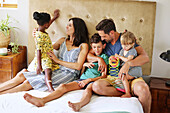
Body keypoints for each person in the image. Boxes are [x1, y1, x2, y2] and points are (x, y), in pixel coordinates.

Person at [0, 10, 89, 95]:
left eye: (69, 25)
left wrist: (57, 60)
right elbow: (44, 48)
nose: (66, 27)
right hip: (55, 69)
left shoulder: (83, 46)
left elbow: (78, 66)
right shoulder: (62, 40)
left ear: (77, 29)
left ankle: (2, 94)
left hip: (69, 74)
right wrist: (37, 37)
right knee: (22, 74)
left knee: (28, 83)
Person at [23, 33, 109, 112]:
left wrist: (89, 80)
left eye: (99, 47)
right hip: (82, 79)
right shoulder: (89, 56)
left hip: (92, 81)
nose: (96, 49)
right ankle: (42, 100)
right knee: (63, 86)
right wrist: (84, 65)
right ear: (91, 46)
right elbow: (81, 71)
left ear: (104, 46)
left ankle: (79, 104)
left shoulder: (104, 58)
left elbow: (104, 76)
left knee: (88, 90)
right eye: (94, 47)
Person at [87, 19, 151, 113]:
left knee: (143, 90)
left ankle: (131, 91)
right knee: (96, 86)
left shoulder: (125, 38)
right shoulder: (104, 43)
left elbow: (145, 58)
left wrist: (128, 64)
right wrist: (99, 59)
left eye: (103, 36)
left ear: (111, 33)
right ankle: (127, 92)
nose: (102, 39)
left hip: (131, 76)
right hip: (114, 78)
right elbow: (89, 55)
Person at [32, 11, 60, 92]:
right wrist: (39, 65)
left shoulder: (40, 30)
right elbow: (38, 51)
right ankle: (50, 88)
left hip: (48, 56)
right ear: (46, 24)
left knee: (49, 70)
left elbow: (48, 24)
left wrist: (54, 17)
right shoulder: (39, 36)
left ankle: (49, 85)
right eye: (49, 22)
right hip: (44, 57)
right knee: (48, 71)